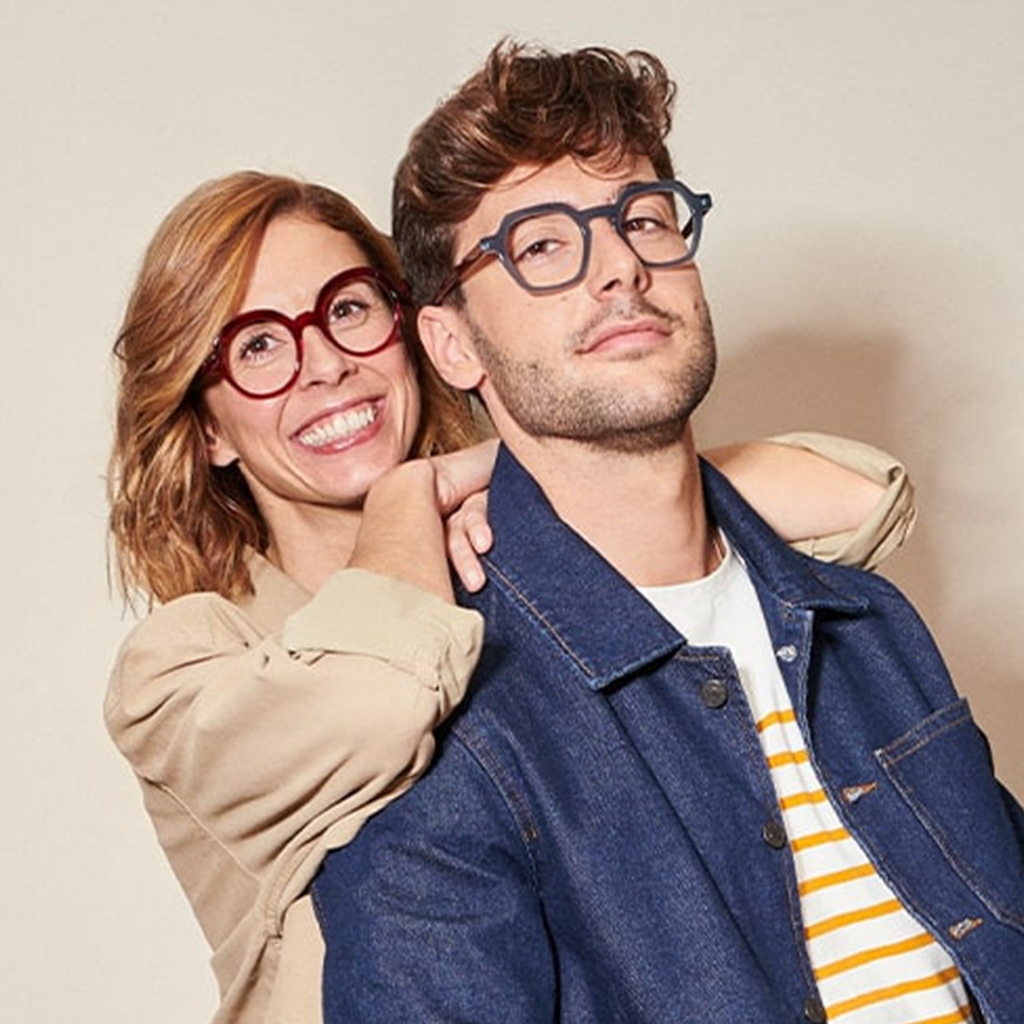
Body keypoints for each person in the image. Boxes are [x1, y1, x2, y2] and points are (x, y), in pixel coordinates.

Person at [311, 42, 1024, 1024]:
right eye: (543, 244)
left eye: (643, 218)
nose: (620, 267)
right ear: (451, 342)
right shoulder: (433, 742)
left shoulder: (864, 623)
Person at [105, 172, 914, 1024]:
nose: (326, 364)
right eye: (258, 346)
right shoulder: (186, 666)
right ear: (207, 429)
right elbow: (382, 700)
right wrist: (411, 501)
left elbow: (860, 501)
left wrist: (548, 477)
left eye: (347, 308)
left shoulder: (514, 562)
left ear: (413, 330)